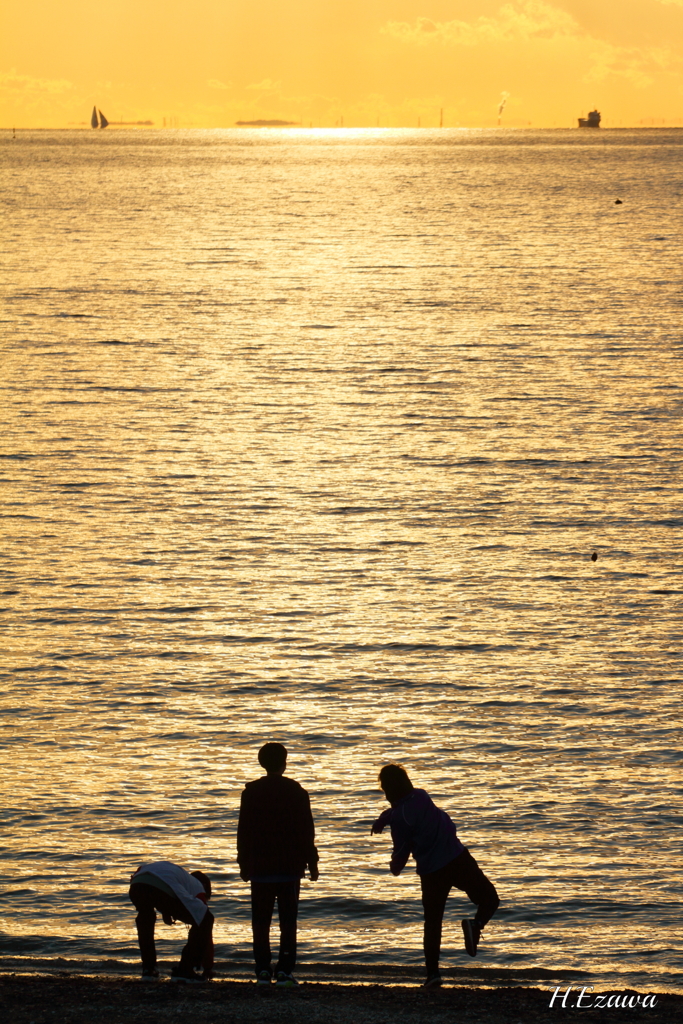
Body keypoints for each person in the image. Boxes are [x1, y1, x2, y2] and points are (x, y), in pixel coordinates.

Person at [371, 764, 500, 989]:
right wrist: (384, 819)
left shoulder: (400, 819)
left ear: (389, 790)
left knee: (432, 923)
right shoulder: (421, 796)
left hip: (432, 872)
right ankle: (476, 924)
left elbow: (401, 850)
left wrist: (394, 867)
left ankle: (433, 975)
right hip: (457, 857)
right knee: (490, 899)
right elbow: (404, 809)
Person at [237, 742, 319, 987]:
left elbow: (243, 831)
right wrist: (312, 863)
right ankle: (284, 969)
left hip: (260, 867)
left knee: (260, 921)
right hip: (289, 866)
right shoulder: (296, 791)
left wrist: (243, 862)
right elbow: (307, 831)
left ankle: (262, 968)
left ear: (261, 763)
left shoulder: (250, 792)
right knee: (288, 921)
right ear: (285, 762)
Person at [128, 860, 214, 983]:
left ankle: (149, 970)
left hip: (137, 883)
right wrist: (208, 966)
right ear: (205, 886)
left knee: (145, 919)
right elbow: (202, 920)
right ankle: (185, 970)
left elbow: (153, 884)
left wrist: (166, 911)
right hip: (160, 886)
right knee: (206, 920)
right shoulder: (197, 885)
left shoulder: (180, 876)